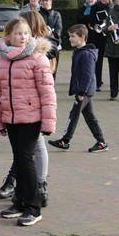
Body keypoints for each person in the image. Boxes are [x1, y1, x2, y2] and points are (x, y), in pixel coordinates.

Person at [0, 17, 56, 226]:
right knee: (19, 159)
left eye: (26, 33)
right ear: (8, 36)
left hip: (32, 117)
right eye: (18, 33)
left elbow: (47, 92)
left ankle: (33, 207)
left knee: (26, 159)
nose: (23, 37)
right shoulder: (1, 60)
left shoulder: (38, 59)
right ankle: (19, 202)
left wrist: (48, 122)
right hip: (11, 117)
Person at [48, 24, 108, 152]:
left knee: (74, 114)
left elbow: (88, 75)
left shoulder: (86, 54)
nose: (70, 39)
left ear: (82, 37)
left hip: (84, 91)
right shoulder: (79, 51)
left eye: (73, 36)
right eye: (70, 36)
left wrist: (81, 92)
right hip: (84, 90)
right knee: (90, 117)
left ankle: (65, 140)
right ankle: (101, 142)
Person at [76, 0, 107, 91]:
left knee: (98, 61)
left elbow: (103, 21)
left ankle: (98, 82)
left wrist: (89, 20)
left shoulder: (100, 8)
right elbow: (78, 20)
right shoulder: (82, 9)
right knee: (85, 61)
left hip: (98, 38)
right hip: (86, 39)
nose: (89, 0)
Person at [95, 0, 115, 90]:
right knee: (98, 61)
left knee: (113, 62)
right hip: (99, 36)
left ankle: (114, 85)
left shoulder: (114, 7)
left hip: (110, 36)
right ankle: (97, 82)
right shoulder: (96, 6)